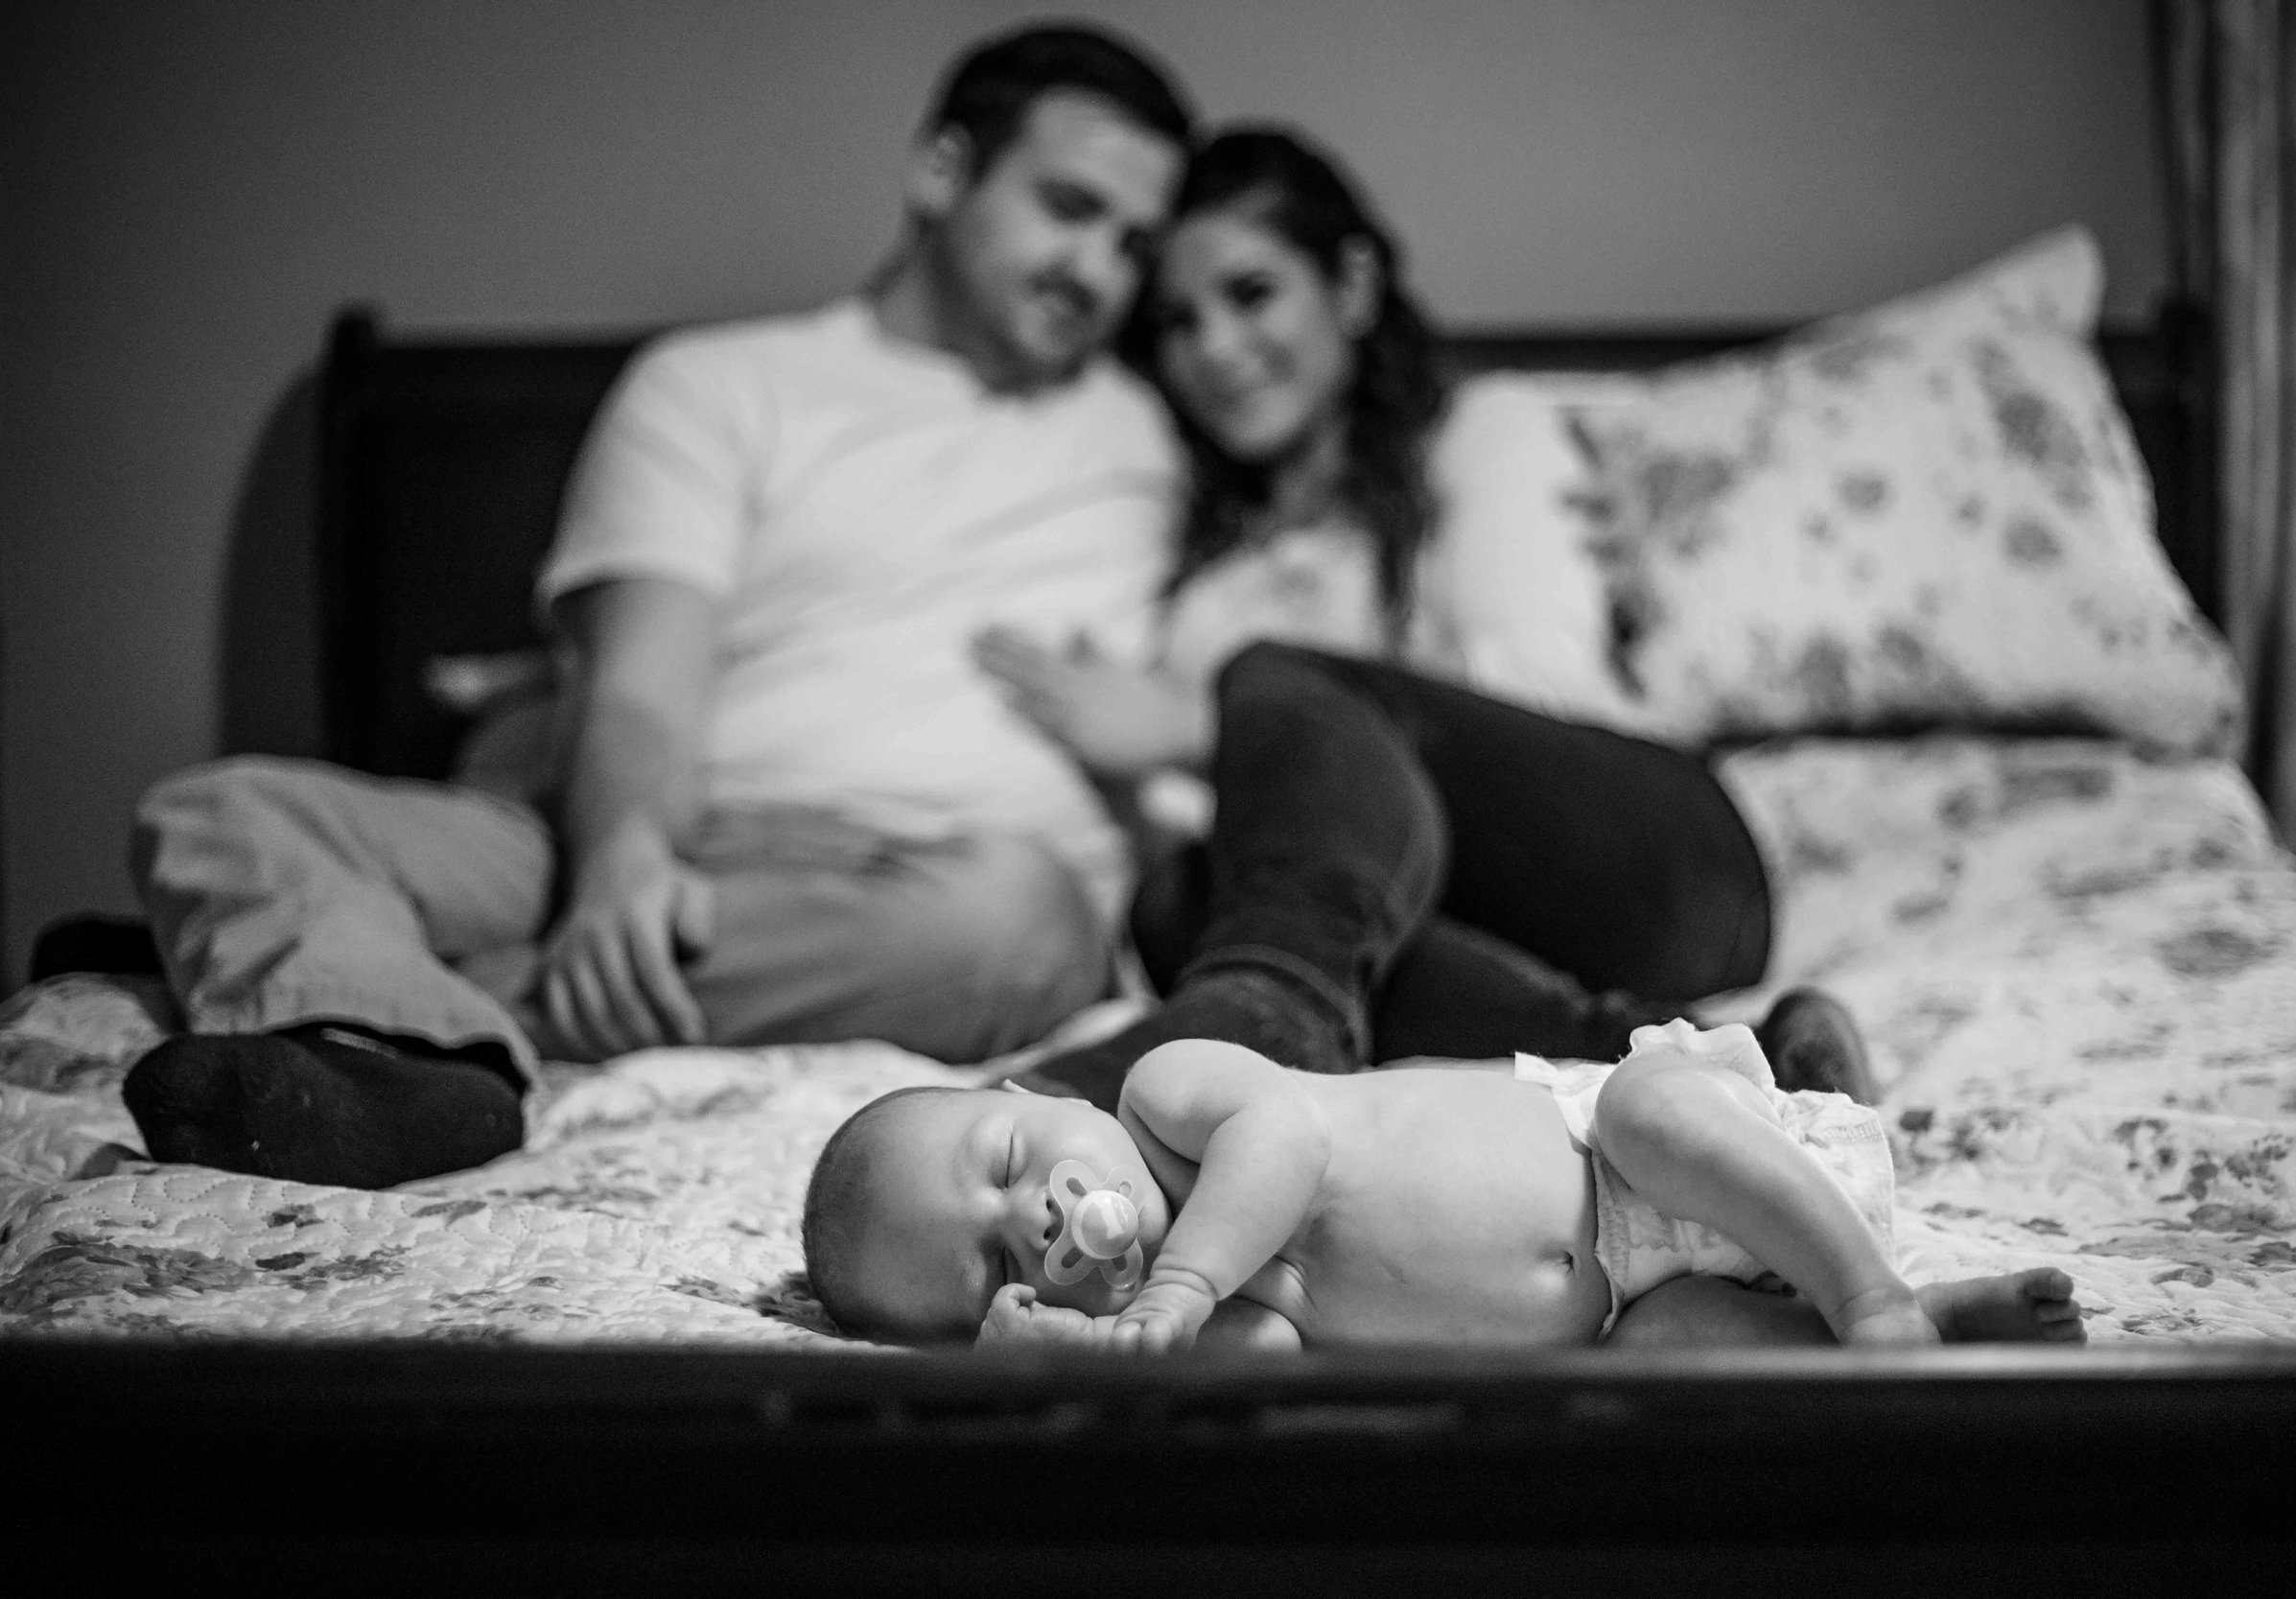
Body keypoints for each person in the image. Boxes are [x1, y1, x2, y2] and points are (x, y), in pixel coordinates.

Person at [118, 24, 1197, 1190]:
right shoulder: (721, 385)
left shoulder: (1156, 434)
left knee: (1020, 927)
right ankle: (379, 1011)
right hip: (662, 822)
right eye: (1068, 208)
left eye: (1134, 244)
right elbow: (635, 682)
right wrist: (622, 860)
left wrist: (1184, 721)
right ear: (942, 169)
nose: (1099, 270)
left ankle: (374, 1019)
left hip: (930, 892)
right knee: (217, 812)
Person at [972, 129, 1867, 1109]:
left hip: (1650, 862)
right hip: (1419, 920)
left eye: (1251, 293)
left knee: (1268, 696)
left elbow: (1541, 687)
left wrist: (1194, 724)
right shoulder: (1210, 587)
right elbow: (1269, 850)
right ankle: (1715, 1067)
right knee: (1183, 900)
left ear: (1351, 286)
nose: (1215, 348)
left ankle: (1259, 1017)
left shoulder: (1483, 435)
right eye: (1178, 323)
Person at [801, 1025, 2089, 1352]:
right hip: (1625, 1303)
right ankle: (1930, 1319)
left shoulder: (1167, 1091)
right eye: (990, 1267)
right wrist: (1102, 1360)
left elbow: (1289, 1139)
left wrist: (1185, 1276)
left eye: (1009, 1168)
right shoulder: (1212, 1318)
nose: (1030, 1228)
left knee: (1654, 1105)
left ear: (1042, 1100)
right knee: (1672, 1353)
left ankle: (1866, 1291)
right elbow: (1259, 1367)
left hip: (1633, 1150)